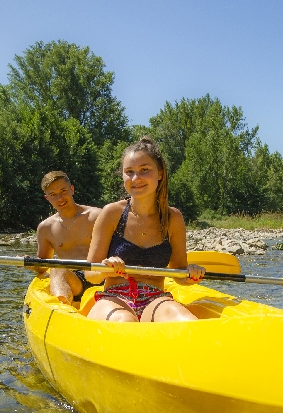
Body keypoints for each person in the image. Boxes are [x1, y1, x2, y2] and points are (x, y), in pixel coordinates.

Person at [85, 136, 205, 322]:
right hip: (115, 298)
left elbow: (179, 273)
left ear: (160, 173)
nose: (136, 178)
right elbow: (90, 275)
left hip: (155, 299)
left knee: (187, 323)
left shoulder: (173, 218)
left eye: (144, 170)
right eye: (129, 172)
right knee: (125, 322)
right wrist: (106, 268)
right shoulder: (111, 213)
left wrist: (190, 274)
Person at [34, 171, 102, 304]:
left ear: (72, 189)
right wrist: (31, 264)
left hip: (101, 276)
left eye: (63, 191)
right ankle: (63, 307)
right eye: (53, 195)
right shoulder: (45, 228)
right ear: (47, 198)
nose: (59, 198)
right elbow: (43, 266)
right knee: (56, 266)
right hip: (74, 281)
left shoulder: (97, 216)